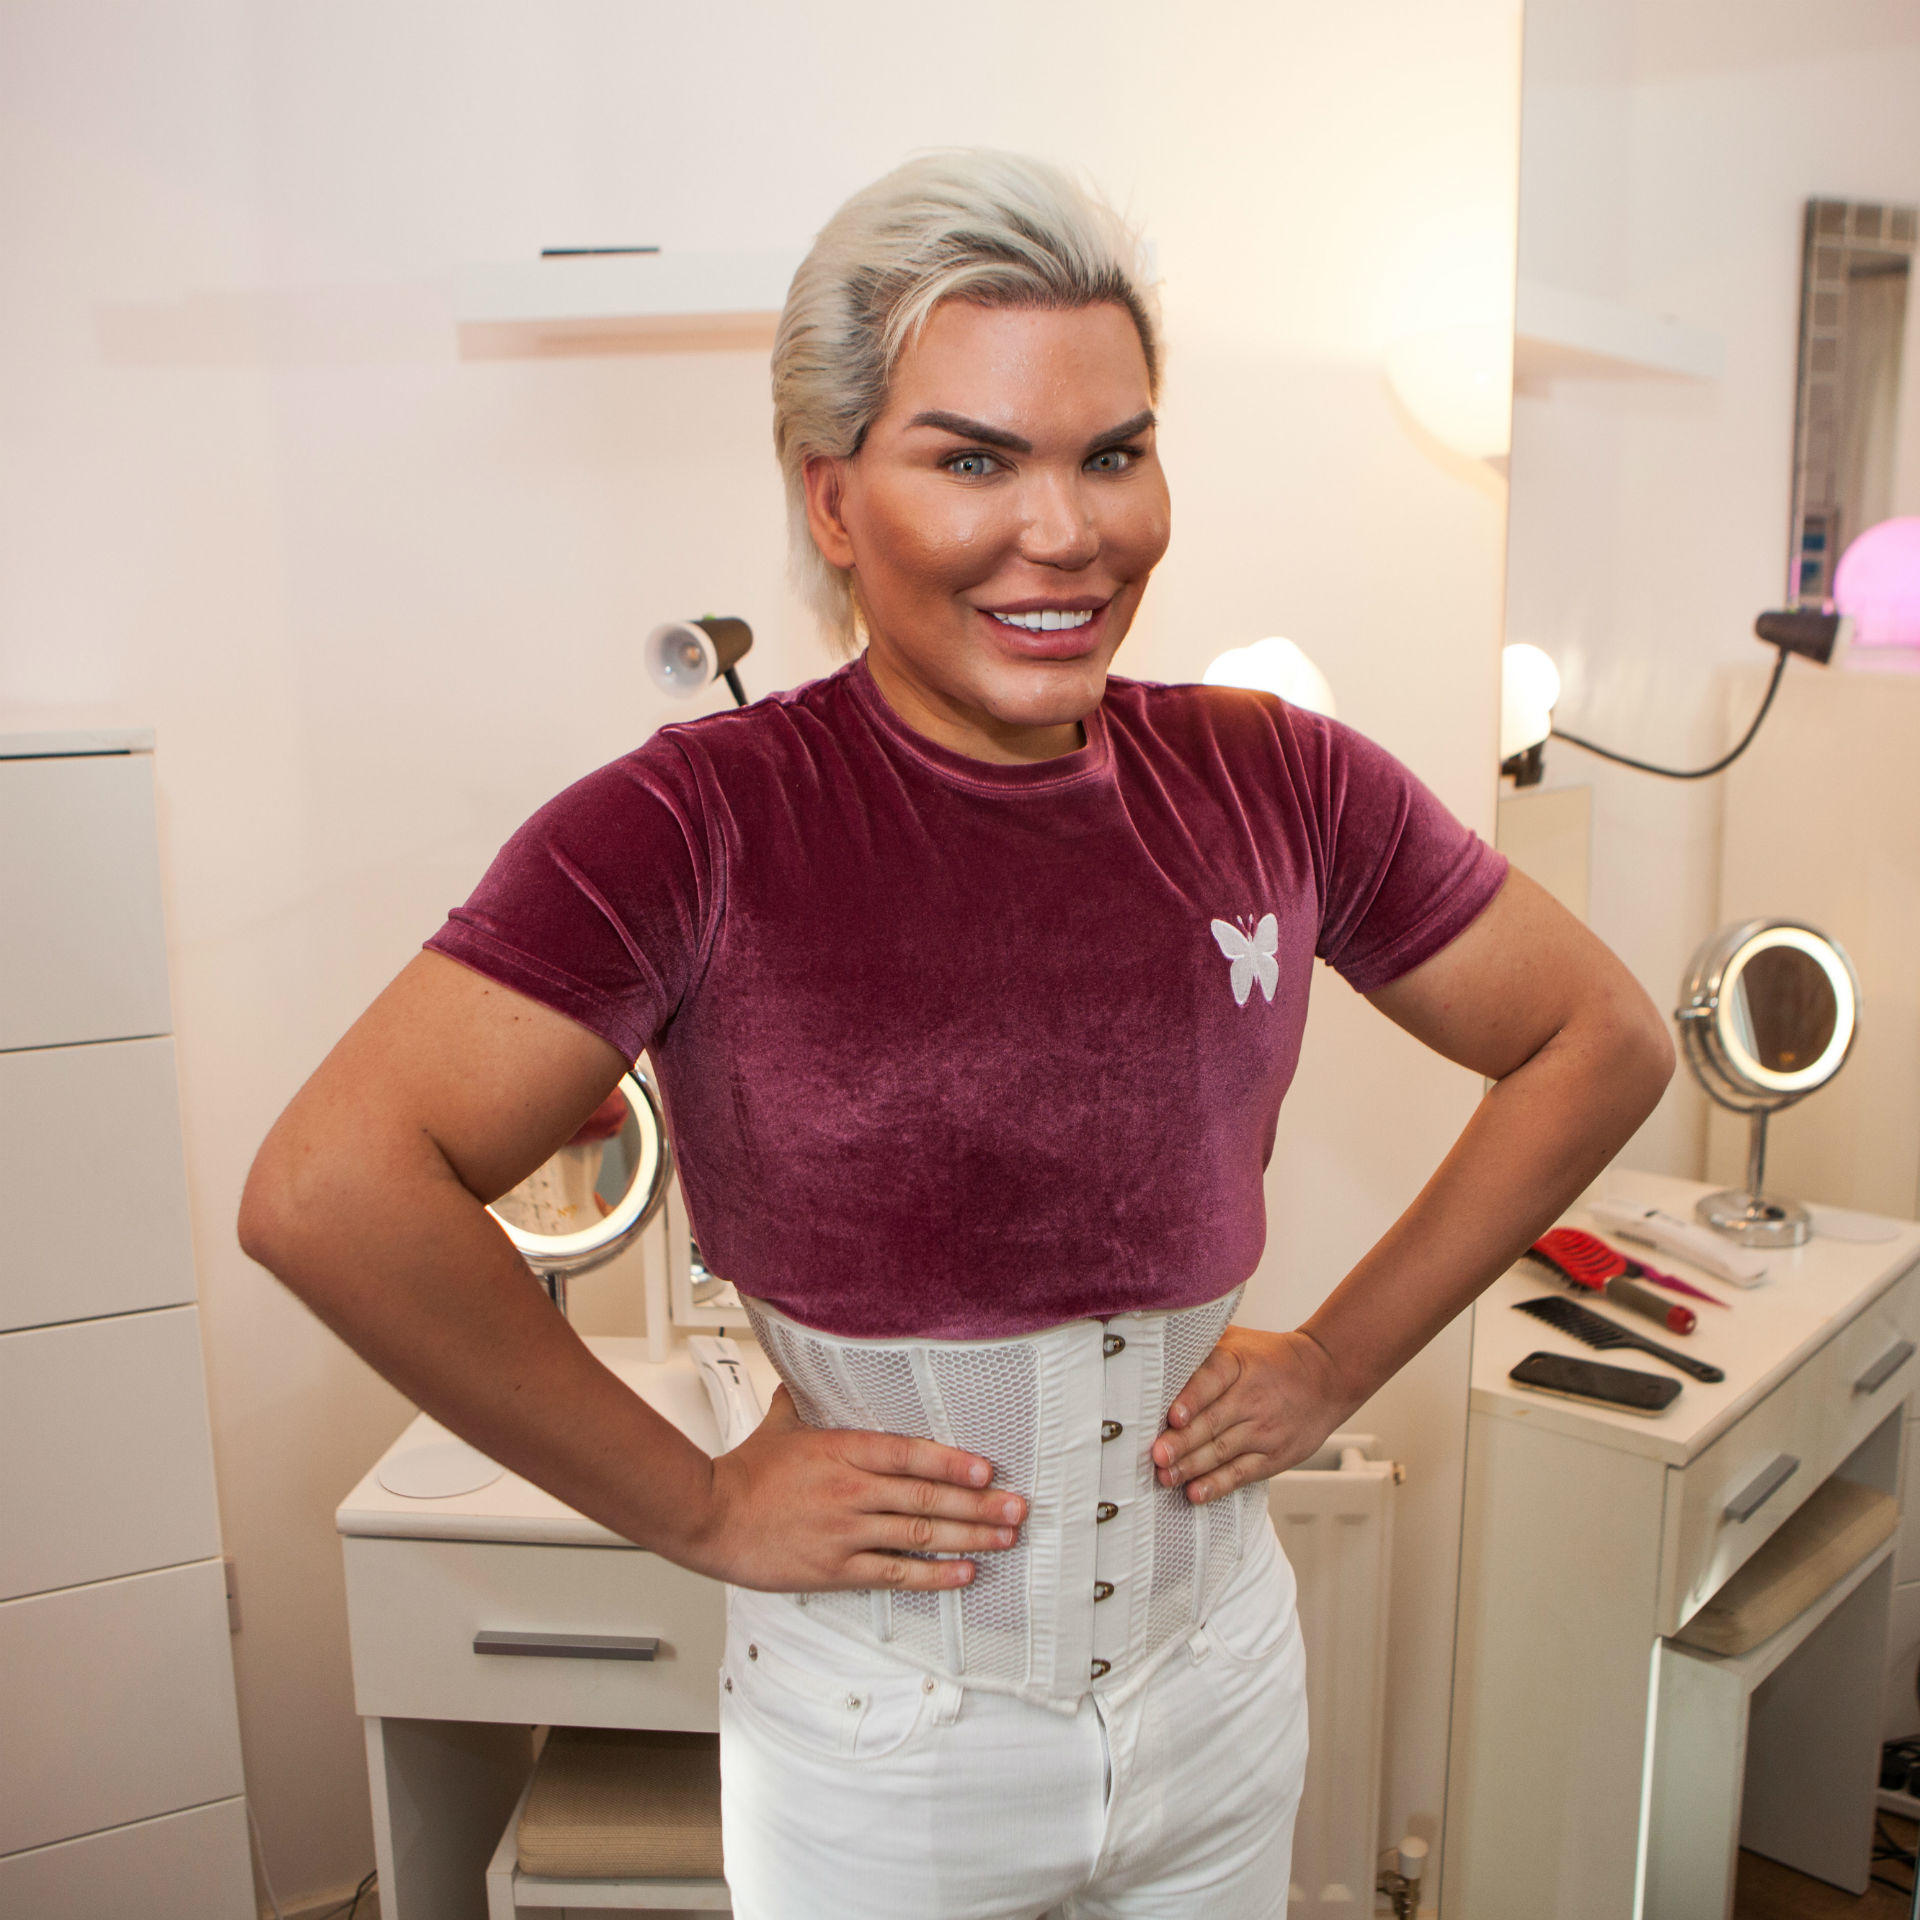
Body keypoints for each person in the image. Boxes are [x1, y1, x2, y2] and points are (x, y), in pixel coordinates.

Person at [240, 149, 1673, 1918]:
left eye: (1113, 453)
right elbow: (330, 1190)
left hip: (1221, 1691)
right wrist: (698, 1507)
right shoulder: (698, 824)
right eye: (974, 459)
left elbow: (1600, 1037)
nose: (1063, 532)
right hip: (885, 1746)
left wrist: (1338, 1360)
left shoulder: (1275, 778)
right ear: (834, 497)